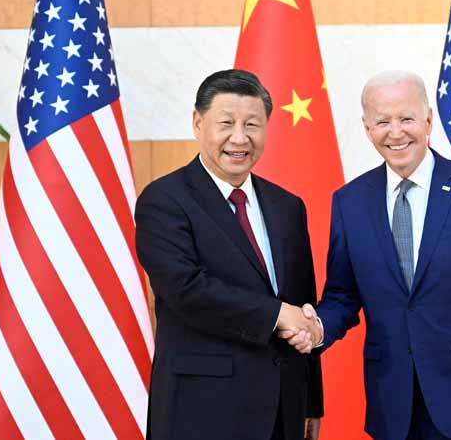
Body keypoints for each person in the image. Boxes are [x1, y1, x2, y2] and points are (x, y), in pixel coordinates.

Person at [283, 71, 451, 440]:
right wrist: (317, 327)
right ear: (367, 129)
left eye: (406, 118)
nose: (395, 132)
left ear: (428, 119)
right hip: (392, 407)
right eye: (382, 121)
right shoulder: (350, 202)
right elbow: (343, 296)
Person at [135, 69, 323, 440]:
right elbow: (186, 290)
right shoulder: (164, 200)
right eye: (226, 123)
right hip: (202, 410)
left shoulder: (288, 206)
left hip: (282, 409)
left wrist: (311, 400)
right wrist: (276, 315)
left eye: (252, 124)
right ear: (197, 123)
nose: (239, 138)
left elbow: (303, 302)